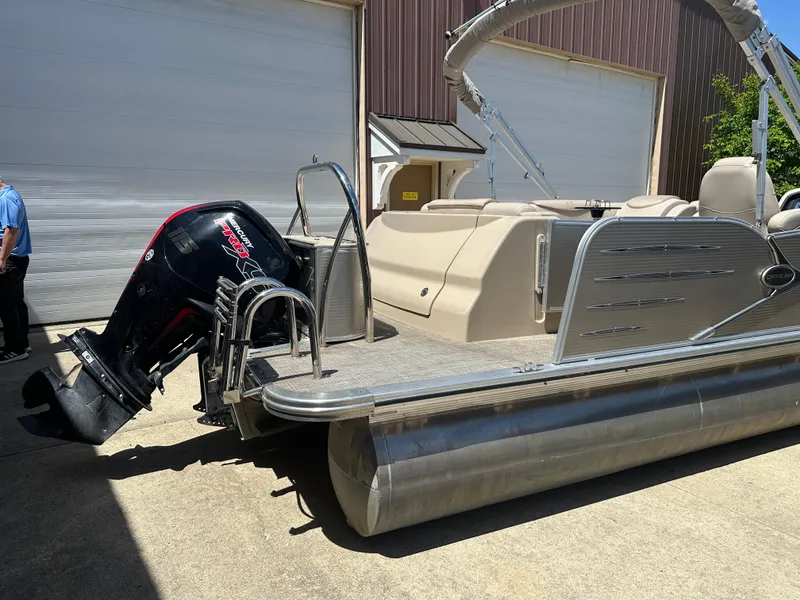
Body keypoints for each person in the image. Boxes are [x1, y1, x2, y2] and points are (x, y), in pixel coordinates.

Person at [0, 175, 32, 364]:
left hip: (11, 260)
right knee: (15, 302)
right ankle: (22, 343)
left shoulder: (6, 198)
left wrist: (2, 259)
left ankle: (16, 349)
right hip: (14, 259)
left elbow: (11, 231)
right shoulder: (9, 196)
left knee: (6, 306)